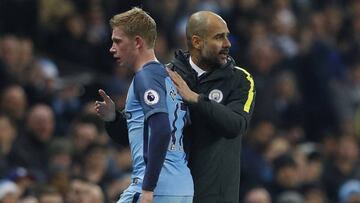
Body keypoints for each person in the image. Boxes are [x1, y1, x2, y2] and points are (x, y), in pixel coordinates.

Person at [94, 7, 193, 203]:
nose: (111, 48)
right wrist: (114, 119)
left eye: (117, 41)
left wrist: (148, 188)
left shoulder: (145, 77)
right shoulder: (170, 79)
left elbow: (162, 130)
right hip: (182, 186)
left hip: (154, 186)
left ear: (137, 42)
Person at [166, 11, 255, 203]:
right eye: (219, 37)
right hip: (169, 194)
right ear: (197, 42)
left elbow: (236, 125)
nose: (228, 44)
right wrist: (113, 119)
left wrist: (196, 99)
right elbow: (137, 130)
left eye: (227, 36)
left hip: (215, 198)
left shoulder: (240, 80)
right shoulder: (167, 76)